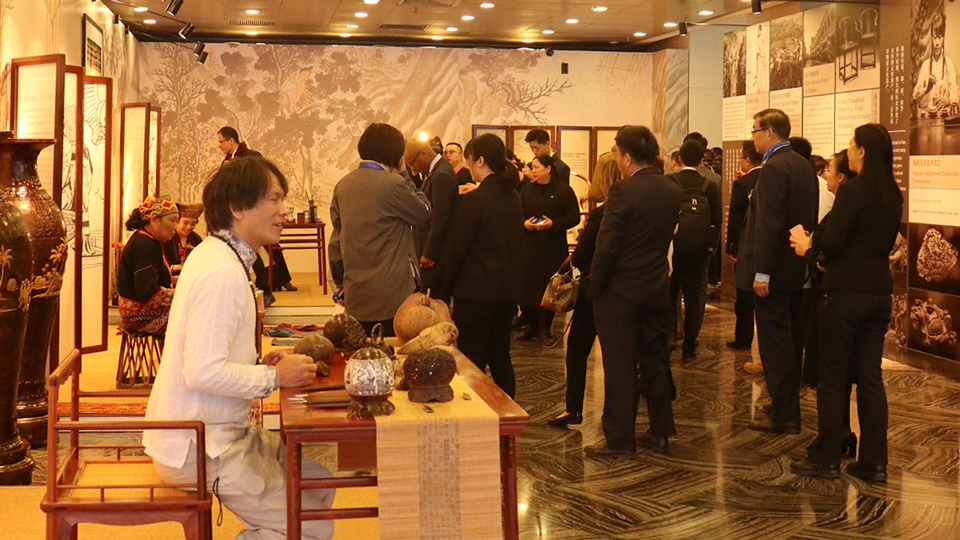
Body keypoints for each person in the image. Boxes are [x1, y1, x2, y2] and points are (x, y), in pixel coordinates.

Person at [144, 157, 335, 540]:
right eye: (274, 199)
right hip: (200, 446)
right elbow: (201, 372)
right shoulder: (222, 271)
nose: (285, 211)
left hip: (220, 433)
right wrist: (272, 377)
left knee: (319, 483)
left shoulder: (222, 256)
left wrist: (262, 364)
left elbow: (213, 355)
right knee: (312, 527)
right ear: (237, 208)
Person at [789, 124, 903, 483]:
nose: (849, 152)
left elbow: (834, 241)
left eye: (852, 146)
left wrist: (809, 249)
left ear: (863, 151)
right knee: (870, 377)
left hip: (843, 294)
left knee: (833, 375)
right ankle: (874, 461)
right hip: (878, 294)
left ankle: (826, 457)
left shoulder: (853, 191)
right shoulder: (893, 194)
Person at [584, 125, 682, 459]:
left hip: (621, 293)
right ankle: (660, 431)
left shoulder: (623, 191)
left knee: (620, 364)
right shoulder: (671, 189)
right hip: (656, 287)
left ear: (626, 157)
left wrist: (595, 285)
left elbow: (607, 246)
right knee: (655, 358)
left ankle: (620, 440)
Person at [743, 109, 819, 434]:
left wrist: (762, 273)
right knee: (791, 341)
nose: (752, 138)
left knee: (775, 346)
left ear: (769, 132)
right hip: (797, 268)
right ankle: (785, 404)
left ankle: (785, 415)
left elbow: (769, 224)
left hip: (774, 272)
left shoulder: (773, 168)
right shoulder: (803, 164)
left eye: (755, 131)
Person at [329, 123, 431, 335]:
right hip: (393, 295)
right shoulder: (393, 184)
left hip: (356, 293)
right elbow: (424, 213)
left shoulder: (343, 185)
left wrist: (340, 283)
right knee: (392, 350)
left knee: (361, 349)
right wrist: (405, 176)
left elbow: (336, 240)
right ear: (396, 155)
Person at [443, 134, 524, 398]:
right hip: (506, 291)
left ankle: (475, 413)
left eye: (469, 159)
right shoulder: (514, 196)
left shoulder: (476, 199)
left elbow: (457, 249)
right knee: (501, 357)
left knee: (472, 361)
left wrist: (444, 291)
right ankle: (509, 412)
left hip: (475, 293)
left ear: (479, 160)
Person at [547, 153, 619, 427]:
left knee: (577, 348)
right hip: (623, 292)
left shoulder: (602, 214)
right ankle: (615, 415)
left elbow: (581, 255)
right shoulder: (634, 210)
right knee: (617, 355)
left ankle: (573, 408)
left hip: (594, 291)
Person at [218, 126, 296, 302]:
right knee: (251, 248)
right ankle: (266, 287)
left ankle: (269, 287)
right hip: (238, 211)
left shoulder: (252, 156)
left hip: (253, 210)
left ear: (231, 140)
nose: (219, 146)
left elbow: (260, 182)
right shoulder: (227, 161)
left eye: (221, 142)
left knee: (260, 246)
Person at [516, 153, 580, 345]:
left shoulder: (564, 191)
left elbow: (573, 217)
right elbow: (518, 215)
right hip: (530, 247)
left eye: (536, 167)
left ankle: (546, 328)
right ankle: (531, 327)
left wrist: (553, 224)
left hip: (553, 247)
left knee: (551, 287)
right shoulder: (527, 190)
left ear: (548, 168)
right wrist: (524, 224)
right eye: (532, 167)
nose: (533, 171)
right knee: (528, 288)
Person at [668, 140, 721, 362]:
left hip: (673, 248)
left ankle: (670, 337)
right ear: (702, 160)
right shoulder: (710, 185)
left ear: (680, 159)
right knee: (694, 297)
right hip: (699, 250)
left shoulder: (670, 181)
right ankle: (690, 345)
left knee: (670, 294)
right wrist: (712, 245)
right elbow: (716, 219)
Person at [404, 139, 459, 302]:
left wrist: (428, 253)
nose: (413, 168)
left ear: (424, 154)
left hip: (437, 257)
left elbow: (441, 217)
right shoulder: (436, 171)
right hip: (434, 252)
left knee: (434, 302)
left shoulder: (441, 174)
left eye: (413, 162)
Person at [117, 196, 179, 336]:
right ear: (154, 220)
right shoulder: (144, 244)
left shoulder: (147, 240)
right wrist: (180, 293)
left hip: (143, 312)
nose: (176, 226)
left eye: (177, 221)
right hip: (141, 317)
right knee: (196, 318)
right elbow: (149, 293)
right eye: (172, 220)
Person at [726, 141, 762, 353]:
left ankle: (743, 337)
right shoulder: (770, 178)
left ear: (747, 160)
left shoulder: (742, 184)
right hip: (766, 246)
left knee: (744, 294)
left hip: (745, 244)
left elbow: (735, 219)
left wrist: (732, 247)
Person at [913, 12, 959, 116]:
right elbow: (915, 96)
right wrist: (926, 89)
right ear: (931, 38)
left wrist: (948, 100)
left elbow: (955, 93)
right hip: (927, 119)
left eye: (940, 37)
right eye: (934, 37)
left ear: (944, 38)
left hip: (945, 118)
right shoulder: (925, 66)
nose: (937, 43)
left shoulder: (949, 64)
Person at [164, 202, 204, 275]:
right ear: (177, 221)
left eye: (193, 224)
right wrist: (177, 267)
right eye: (185, 223)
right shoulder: (167, 237)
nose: (188, 227)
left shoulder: (196, 239)